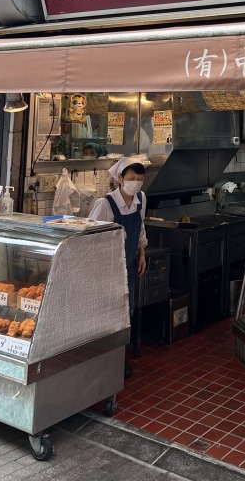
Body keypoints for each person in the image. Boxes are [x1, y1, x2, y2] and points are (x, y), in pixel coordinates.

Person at [88, 157, 148, 377]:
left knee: (126, 312)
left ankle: (117, 359)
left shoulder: (141, 198)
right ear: (121, 178)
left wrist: (141, 253)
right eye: (132, 178)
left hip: (129, 266)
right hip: (107, 270)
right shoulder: (105, 204)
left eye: (140, 179)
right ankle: (102, 362)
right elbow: (90, 236)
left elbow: (140, 228)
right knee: (107, 315)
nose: (136, 183)